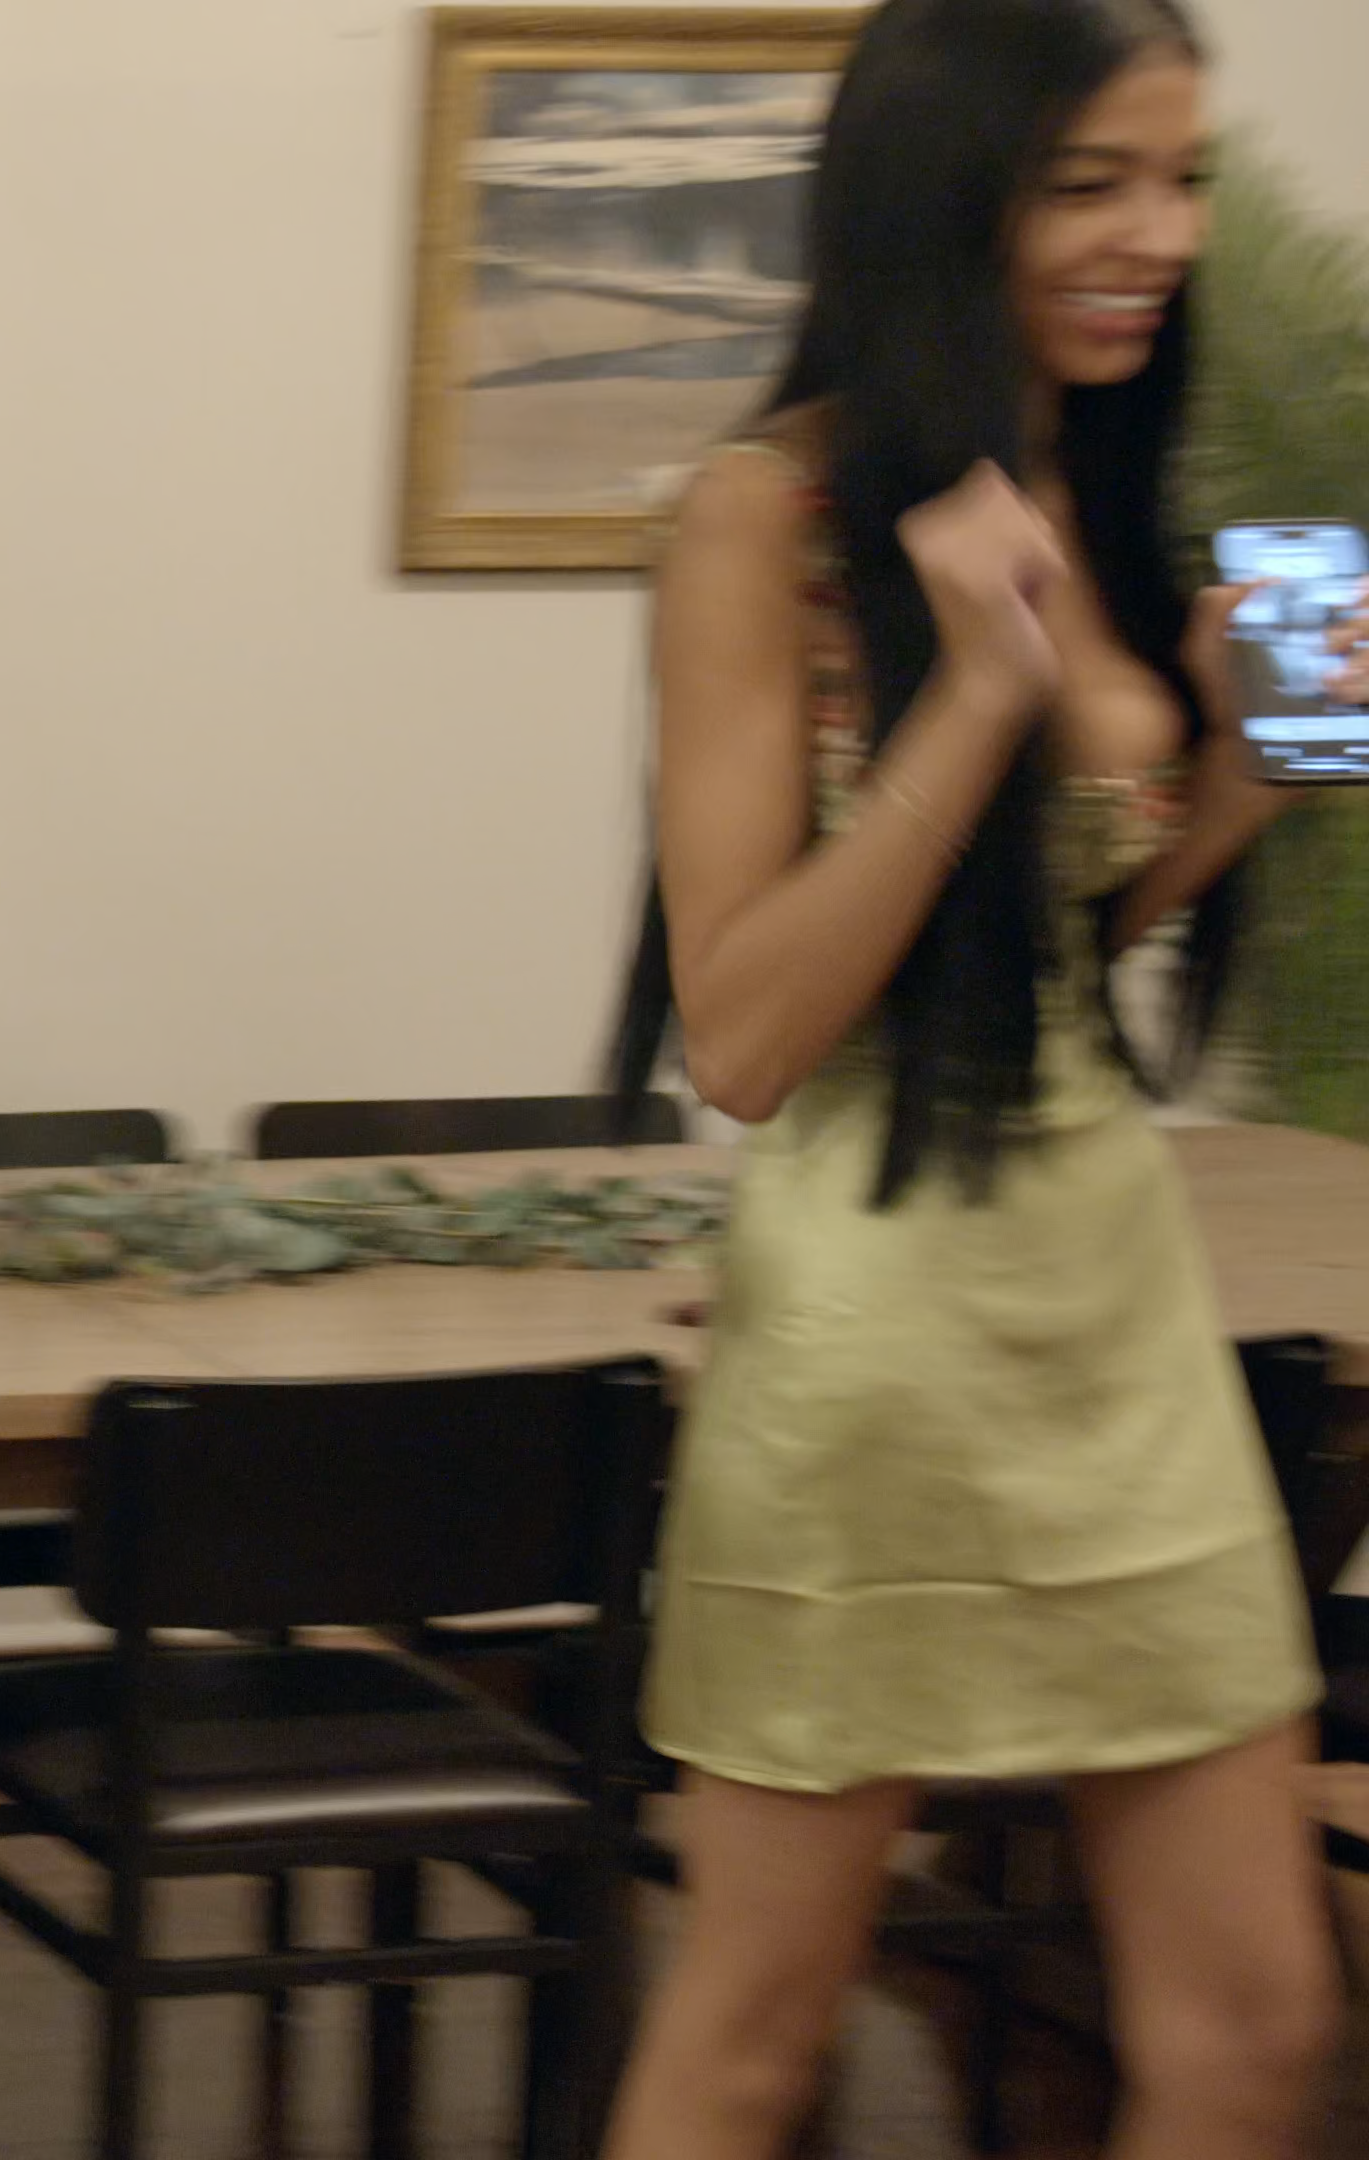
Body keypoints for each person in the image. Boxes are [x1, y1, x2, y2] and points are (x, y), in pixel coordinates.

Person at [603, 2, 1366, 2153]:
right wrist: (979, 697)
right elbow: (749, 1038)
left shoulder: (1102, 481)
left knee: (1254, 2026)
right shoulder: (767, 518)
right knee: (759, 2037)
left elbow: (1028, 966)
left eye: (1182, 178)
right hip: (877, 1337)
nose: (1162, 236)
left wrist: (1242, 780)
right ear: (948, 198)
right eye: (1090, 183)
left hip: (1113, 1306)